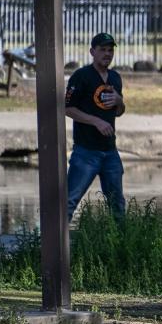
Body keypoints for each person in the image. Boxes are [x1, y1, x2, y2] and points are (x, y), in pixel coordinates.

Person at [65, 32, 126, 222]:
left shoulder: (115, 78)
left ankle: (120, 248)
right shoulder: (81, 76)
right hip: (86, 152)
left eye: (110, 50)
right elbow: (68, 109)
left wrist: (119, 101)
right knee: (68, 202)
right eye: (102, 50)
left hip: (110, 152)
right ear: (92, 51)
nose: (107, 54)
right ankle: (52, 247)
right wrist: (96, 121)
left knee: (117, 207)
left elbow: (119, 111)